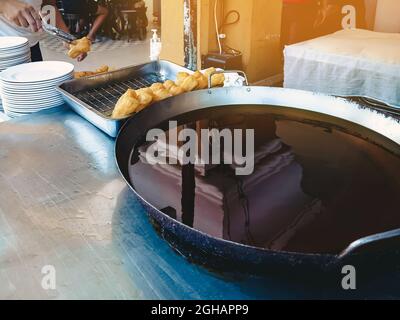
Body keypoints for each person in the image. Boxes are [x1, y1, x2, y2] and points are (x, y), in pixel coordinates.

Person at [0, 0, 86, 62]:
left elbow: (48, 5)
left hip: (32, 47)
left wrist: (66, 38)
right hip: (4, 49)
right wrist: (4, 4)